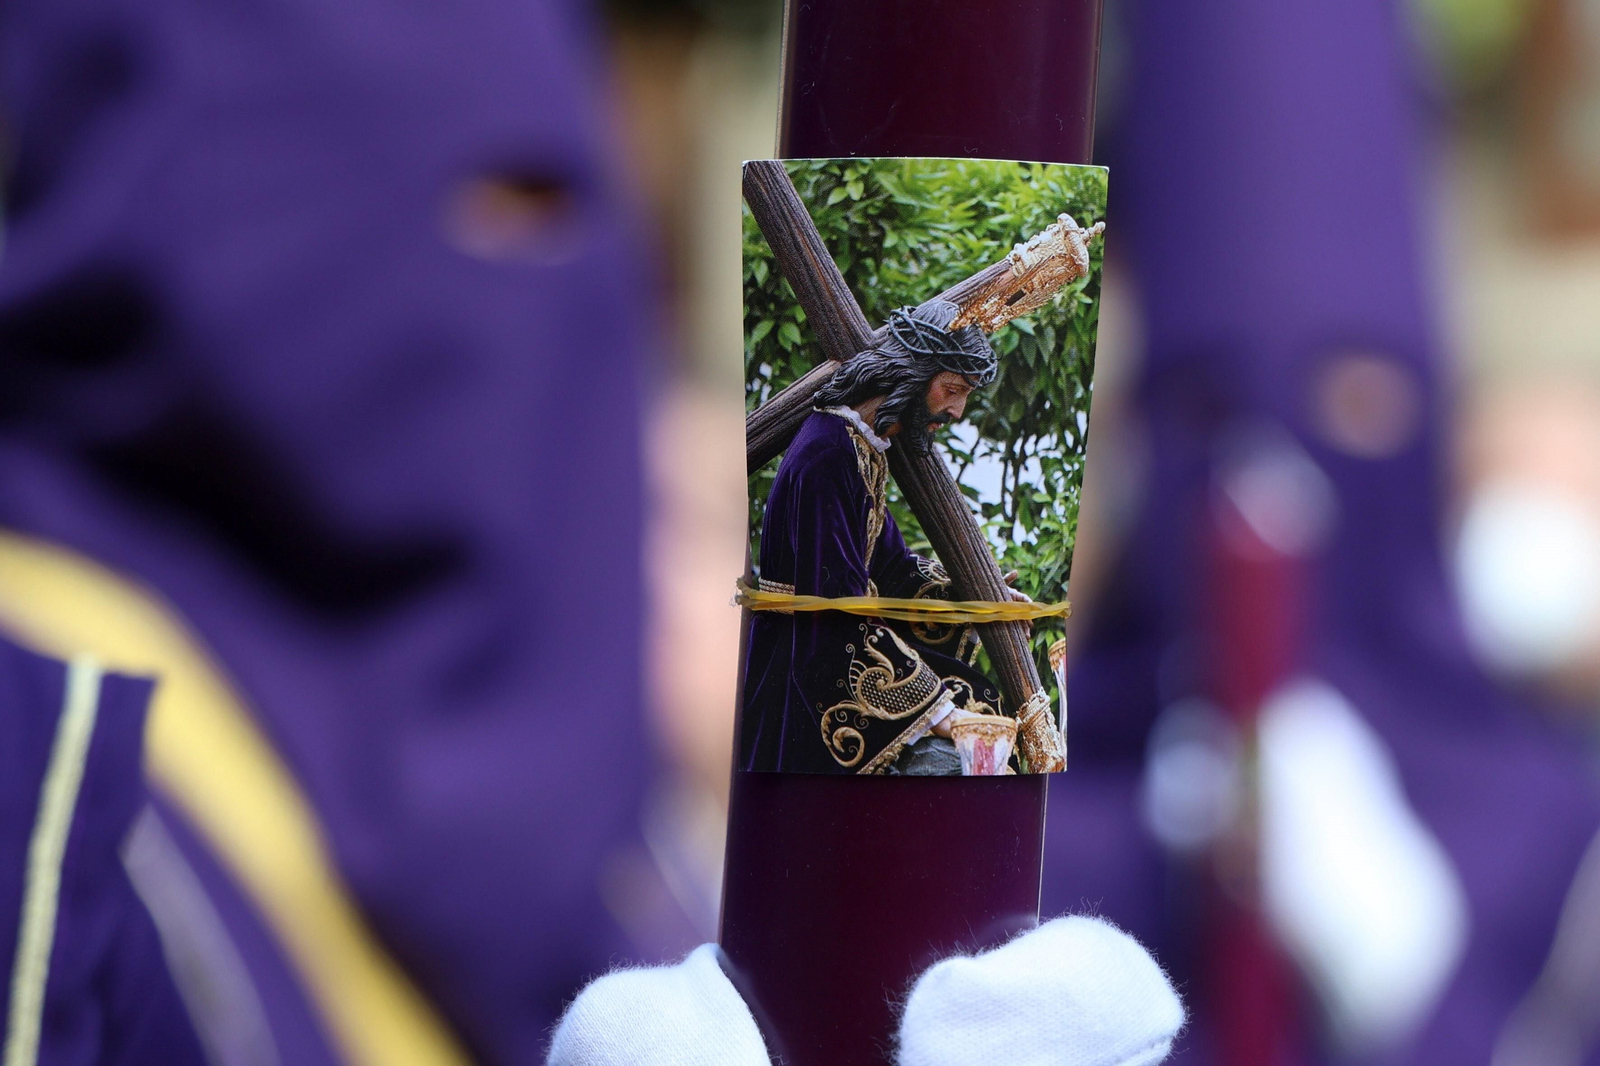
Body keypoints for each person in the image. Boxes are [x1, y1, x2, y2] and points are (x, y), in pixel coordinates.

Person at [739, 300, 1014, 775]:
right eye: (951, 389)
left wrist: (976, 598)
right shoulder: (826, 454)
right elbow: (836, 611)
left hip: (832, 652)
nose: (957, 410)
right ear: (911, 373)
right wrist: (941, 715)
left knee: (985, 723)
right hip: (802, 682)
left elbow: (890, 569)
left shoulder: (860, 446)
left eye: (965, 394)